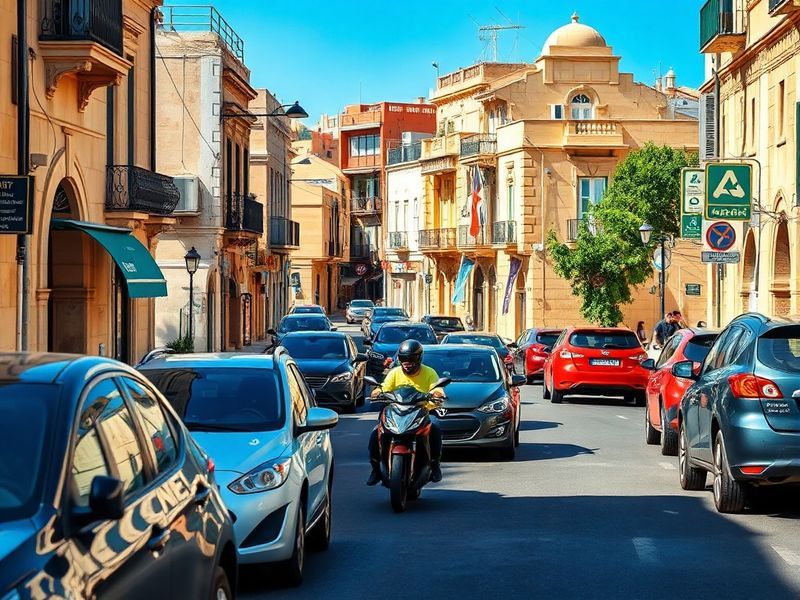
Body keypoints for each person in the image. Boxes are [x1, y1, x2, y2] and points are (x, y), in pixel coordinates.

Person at [367, 339, 444, 486]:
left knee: (435, 426)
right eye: (403, 358)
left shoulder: (429, 372)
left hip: (423, 411)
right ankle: (376, 469)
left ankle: (435, 465)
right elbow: (384, 387)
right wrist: (377, 392)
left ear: (419, 358)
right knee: (375, 432)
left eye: (411, 358)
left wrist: (437, 393)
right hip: (396, 411)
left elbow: (437, 388)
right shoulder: (394, 372)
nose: (406, 362)